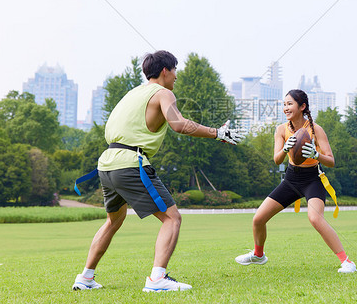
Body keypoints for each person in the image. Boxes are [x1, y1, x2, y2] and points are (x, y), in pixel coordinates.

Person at [72, 50, 244, 292]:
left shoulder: (133, 93)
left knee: (113, 220)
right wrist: (217, 132)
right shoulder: (164, 93)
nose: (176, 77)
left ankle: (85, 278)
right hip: (131, 163)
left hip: (107, 164)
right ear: (165, 71)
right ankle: (156, 280)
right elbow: (179, 125)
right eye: (175, 71)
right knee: (172, 218)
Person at [234, 89, 357, 273]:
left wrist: (316, 154)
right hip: (291, 179)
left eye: (290, 104)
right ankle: (259, 255)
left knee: (315, 218)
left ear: (302, 106)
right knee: (258, 219)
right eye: (284, 104)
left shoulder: (315, 129)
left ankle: (347, 262)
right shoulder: (281, 130)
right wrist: (284, 149)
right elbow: (276, 160)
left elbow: (331, 161)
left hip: (312, 179)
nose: (285, 108)